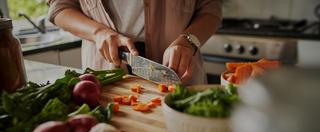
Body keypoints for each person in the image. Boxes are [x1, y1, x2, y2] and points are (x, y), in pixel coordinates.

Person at [47, 0, 221, 84]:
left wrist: (188, 41)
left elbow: (211, 10)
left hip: (180, 72)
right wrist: (98, 32)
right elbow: (59, 7)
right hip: (107, 73)